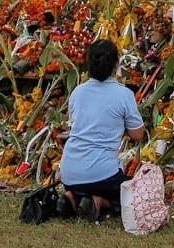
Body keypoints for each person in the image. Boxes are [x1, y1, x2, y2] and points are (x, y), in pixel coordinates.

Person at [59, 39, 145, 222]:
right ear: (116, 64)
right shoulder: (124, 95)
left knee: (83, 184)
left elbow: (76, 125)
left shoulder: (77, 92)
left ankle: (71, 197)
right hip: (102, 176)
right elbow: (137, 135)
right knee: (132, 194)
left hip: (69, 172)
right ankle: (98, 202)